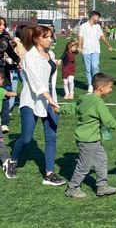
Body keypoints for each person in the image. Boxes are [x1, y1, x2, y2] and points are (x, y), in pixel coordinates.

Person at [5, 25, 64, 185]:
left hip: (50, 100)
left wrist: (53, 99)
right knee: (26, 138)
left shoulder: (50, 54)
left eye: (51, 36)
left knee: (51, 137)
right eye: (47, 37)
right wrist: (50, 99)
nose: (50, 39)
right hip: (31, 101)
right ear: (37, 38)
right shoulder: (29, 58)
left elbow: (50, 78)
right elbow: (36, 83)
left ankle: (49, 174)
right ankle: (13, 160)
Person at [58, 73, 116, 198]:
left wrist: (60, 109)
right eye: (110, 87)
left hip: (93, 139)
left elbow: (73, 107)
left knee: (101, 160)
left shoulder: (86, 99)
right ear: (102, 88)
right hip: (88, 140)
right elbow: (109, 121)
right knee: (84, 166)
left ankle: (102, 186)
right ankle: (72, 188)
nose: (111, 89)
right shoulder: (98, 103)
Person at [78, 11, 113, 94]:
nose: (98, 19)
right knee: (88, 69)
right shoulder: (83, 26)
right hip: (86, 50)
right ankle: (90, 85)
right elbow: (80, 36)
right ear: (92, 16)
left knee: (95, 67)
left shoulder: (98, 26)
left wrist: (109, 45)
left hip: (96, 50)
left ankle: (96, 84)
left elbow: (102, 36)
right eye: (97, 17)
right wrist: (79, 46)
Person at [0, 17, 21, 133]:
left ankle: (4, 122)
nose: (3, 27)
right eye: (0, 25)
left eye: (4, 25)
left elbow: (10, 51)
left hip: (3, 69)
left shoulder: (5, 37)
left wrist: (18, 61)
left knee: (6, 95)